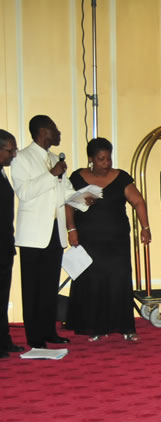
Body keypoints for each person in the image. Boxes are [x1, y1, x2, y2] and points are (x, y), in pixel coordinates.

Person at [10, 115, 90, 349]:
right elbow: (24, 192)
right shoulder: (22, 158)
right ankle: (34, 337)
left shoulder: (56, 159)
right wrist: (52, 174)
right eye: (55, 129)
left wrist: (84, 200)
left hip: (55, 233)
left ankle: (49, 332)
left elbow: (65, 193)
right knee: (33, 289)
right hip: (33, 235)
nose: (58, 133)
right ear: (43, 131)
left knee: (48, 288)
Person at [64, 138, 151, 341]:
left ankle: (125, 328)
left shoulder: (121, 178)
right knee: (92, 282)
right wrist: (71, 229)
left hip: (116, 240)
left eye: (108, 158)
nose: (106, 163)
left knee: (118, 280)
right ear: (91, 159)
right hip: (88, 239)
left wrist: (145, 227)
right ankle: (94, 328)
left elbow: (138, 201)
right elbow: (68, 204)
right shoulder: (77, 177)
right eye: (101, 159)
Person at [0, 129, 23, 359]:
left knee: (2, 296)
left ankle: (4, 341)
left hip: (5, 245)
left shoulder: (2, 172)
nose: (14, 154)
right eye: (10, 150)